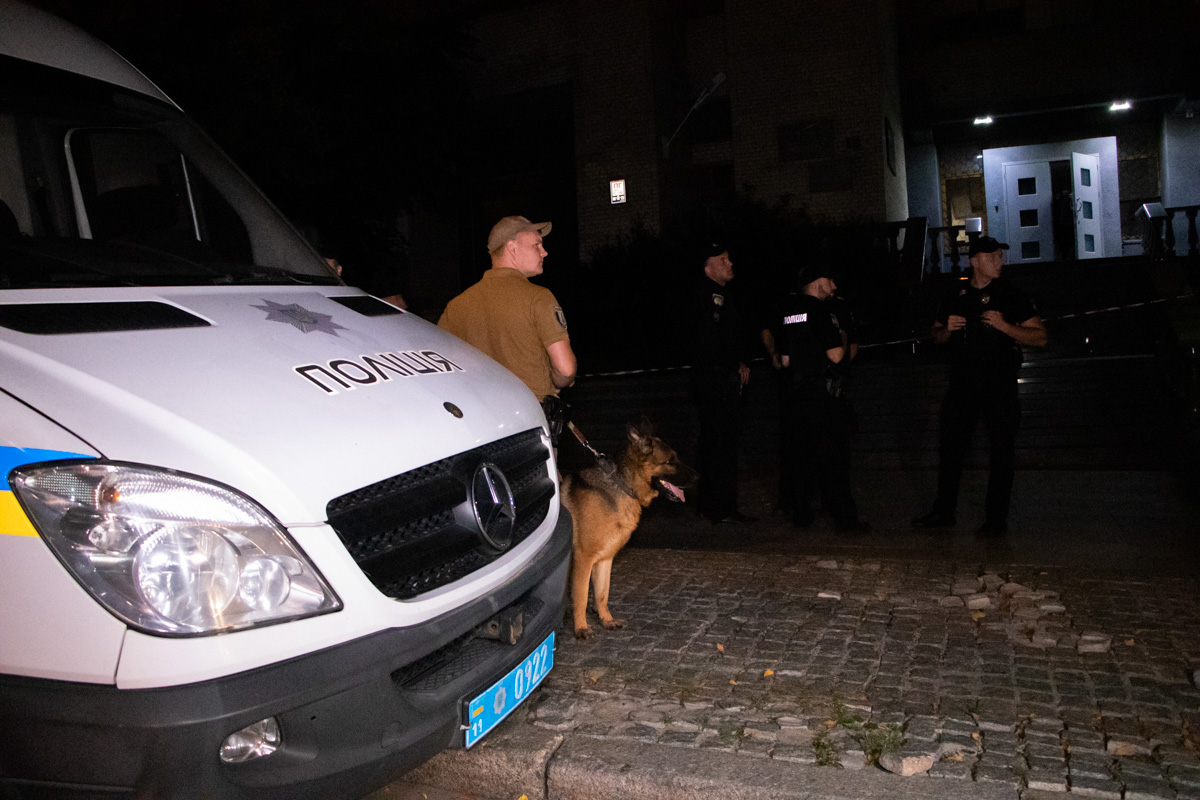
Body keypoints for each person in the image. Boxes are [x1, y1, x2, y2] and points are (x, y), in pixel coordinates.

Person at [913, 236, 1048, 536]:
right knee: (951, 449)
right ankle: (944, 511)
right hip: (962, 383)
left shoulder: (1011, 294)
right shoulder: (955, 294)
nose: (999, 261)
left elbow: (1040, 337)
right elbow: (936, 335)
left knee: (1001, 451)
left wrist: (1005, 326)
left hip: (999, 384)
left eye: (1000, 255)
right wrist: (946, 330)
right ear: (974, 262)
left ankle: (996, 520)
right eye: (992, 257)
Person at [438, 215, 577, 441]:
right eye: (536, 245)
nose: (544, 252)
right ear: (512, 248)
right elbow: (566, 369)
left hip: (479, 426)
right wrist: (556, 381)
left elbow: (444, 370)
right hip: (530, 423)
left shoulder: (456, 306)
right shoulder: (538, 297)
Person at [777, 265, 869, 533]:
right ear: (817, 282)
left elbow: (785, 360)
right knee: (834, 461)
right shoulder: (820, 311)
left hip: (797, 396)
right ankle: (846, 521)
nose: (834, 286)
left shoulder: (789, 312)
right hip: (823, 397)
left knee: (801, 458)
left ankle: (801, 514)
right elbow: (836, 356)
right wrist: (844, 337)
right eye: (830, 280)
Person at [691, 241, 753, 524]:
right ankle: (722, 508)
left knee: (713, 442)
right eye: (723, 260)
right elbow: (711, 341)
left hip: (713, 379)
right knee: (721, 444)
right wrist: (733, 365)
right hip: (716, 380)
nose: (730, 263)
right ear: (708, 268)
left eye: (729, 258)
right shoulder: (711, 296)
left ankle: (708, 504)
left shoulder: (718, 294)